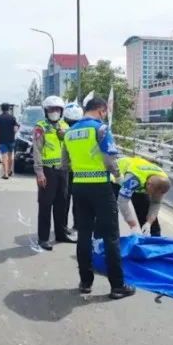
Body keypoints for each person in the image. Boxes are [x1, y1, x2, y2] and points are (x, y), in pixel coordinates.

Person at [61, 97, 136, 299]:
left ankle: (85, 282)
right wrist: (119, 177)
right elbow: (110, 159)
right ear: (101, 110)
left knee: (83, 234)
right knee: (111, 236)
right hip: (101, 188)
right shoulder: (100, 129)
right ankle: (117, 286)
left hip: (79, 187)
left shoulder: (70, 132)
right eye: (105, 111)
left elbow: (64, 164)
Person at [33, 96, 76, 250]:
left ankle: (61, 234)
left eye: (57, 109)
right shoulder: (40, 127)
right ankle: (43, 238)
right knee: (45, 205)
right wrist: (39, 172)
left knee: (62, 203)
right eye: (52, 109)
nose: (55, 112)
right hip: (47, 170)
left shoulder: (65, 125)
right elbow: (37, 151)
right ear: (46, 111)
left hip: (63, 170)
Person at [111, 156, 171, 236]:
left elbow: (156, 203)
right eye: (151, 193)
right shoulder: (133, 179)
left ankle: (155, 238)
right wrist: (133, 225)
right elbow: (122, 202)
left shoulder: (162, 182)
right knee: (112, 210)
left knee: (144, 208)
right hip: (117, 177)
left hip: (142, 178)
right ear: (149, 184)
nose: (151, 195)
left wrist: (149, 223)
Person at [63, 102, 84, 233]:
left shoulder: (65, 132)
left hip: (70, 171)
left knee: (66, 200)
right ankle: (75, 225)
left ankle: (66, 226)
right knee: (76, 201)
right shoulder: (86, 130)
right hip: (78, 172)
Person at [0, 102, 19, 179]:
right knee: (10, 156)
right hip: (11, 140)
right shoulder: (12, 118)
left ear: (1, 109)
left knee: (4, 157)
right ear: (8, 109)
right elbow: (15, 129)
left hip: (2, 140)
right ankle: (9, 171)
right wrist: (12, 134)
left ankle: (6, 174)